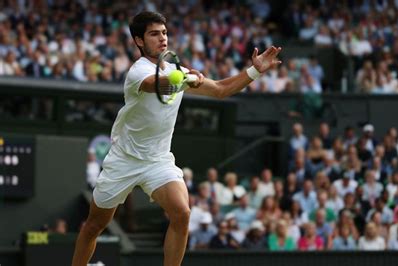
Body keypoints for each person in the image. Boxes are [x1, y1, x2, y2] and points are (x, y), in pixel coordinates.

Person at [71, 11, 282, 266]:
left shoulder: (177, 70)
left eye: (164, 32)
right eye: (153, 34)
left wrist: (254, 71)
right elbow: (157, 85)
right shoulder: (138, 72)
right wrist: (187, 79)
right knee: (94, 225)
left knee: (182, 213)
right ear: (139, 41)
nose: (162, 38)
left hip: (158, 161)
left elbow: (221, 90)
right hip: (123, 160)